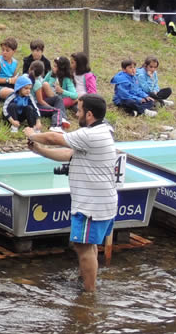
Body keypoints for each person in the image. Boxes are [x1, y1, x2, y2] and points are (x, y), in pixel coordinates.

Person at [25, 94, 117, 291]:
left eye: (80, 110)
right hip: (100, 202)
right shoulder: (102, 130)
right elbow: (68, 154)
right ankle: (87, 284)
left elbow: (53, 137)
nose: (76, 113)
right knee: (88, 247)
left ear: (90, 114)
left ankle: (88, 294)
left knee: (83, 247)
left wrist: (31, 134)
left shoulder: (90, 135)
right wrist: (40, 150)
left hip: (91, 205)